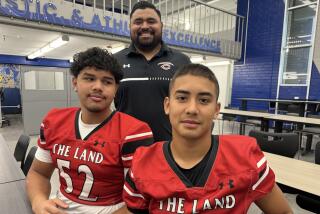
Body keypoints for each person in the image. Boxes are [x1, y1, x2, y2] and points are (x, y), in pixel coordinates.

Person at [123, 64, 293, 213]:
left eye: (204, 100)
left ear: (216, 110)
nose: (192, 109)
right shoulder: (142, 164)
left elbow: (283, 212)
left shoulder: (244, 157)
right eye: (182, 98)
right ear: (167, 105)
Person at [26, 47, 153, 214]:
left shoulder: (134, 132)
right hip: (61, 207)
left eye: (107, 81)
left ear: (116, 89)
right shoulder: (54, 121)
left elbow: (141, 200)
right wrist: (39, 201)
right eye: (89, 78)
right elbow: (38, 173)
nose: (97, 87)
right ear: (75, 83)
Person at [114, 1, 191, 142]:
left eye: (151, 21)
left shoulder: (182, 61)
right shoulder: (115, 61)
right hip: (125, 148)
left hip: (170, 149)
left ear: (161, 26)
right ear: (130, 27)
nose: (144, 26)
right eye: (138, 22)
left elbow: (189, 103)